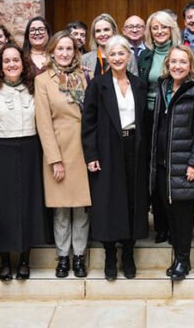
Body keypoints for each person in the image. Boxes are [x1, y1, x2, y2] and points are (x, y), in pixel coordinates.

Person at [0, 44, 50, 281]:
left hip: (30, 150)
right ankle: (5, 261)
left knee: (28, 205)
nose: (11, 65)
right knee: (3, 208)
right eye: (6, 61)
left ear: (23, 62)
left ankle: (25, 260)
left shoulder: (34, 88)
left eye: (15, 60)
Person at [82, 36, 150, 280]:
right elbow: (88, 123)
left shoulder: (139, 84)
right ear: (107, 57)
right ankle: (110, 255)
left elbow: (146, 121)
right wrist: (91, 154)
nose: (118, 58)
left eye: (122, 53)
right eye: (113, 54)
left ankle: (128, 253)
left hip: (134, 147)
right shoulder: (97, 85)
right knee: (109, 201)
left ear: (129, 56)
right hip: (107, 148)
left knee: (133, 199)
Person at [151, 45, 194, 280]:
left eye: (183, 62)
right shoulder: (163, 87)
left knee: (183, 216)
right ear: (167, 64)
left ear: (191, 66)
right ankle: (178, 256)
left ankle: (183, 261)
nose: (177, 66)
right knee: (170, 214)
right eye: (174, 62)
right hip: (163, 164)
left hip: (185, 164)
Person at [35, 31, 92, 278]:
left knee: (80, 207)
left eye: (70, 49)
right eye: (60, 49)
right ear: (52, 52)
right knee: (60, 208)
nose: (65, 53)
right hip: (58, 149)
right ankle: (62, 257)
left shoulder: (85, 76)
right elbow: (43, 122)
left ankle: (79, 257)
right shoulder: (43, 80)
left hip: (83, 149)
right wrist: (54, 159)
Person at [137, 10, 182, 244]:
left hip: (172, 116)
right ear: (150, 31)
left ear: (171, 29)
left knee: (169, 171)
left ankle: (174, 225)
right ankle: (161, 225)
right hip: (148, 118)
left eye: (164, 27)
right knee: (153, 171)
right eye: (155, 28)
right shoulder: (144, 57)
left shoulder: (181, 53)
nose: (160, 31)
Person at [81, 13, 137, 79]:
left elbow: (135, 84)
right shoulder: (85, 59)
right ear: (94, 35)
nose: (102, 34)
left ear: (114, 31)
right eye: (98, 31)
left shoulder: (129, 56)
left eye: (106, 30)